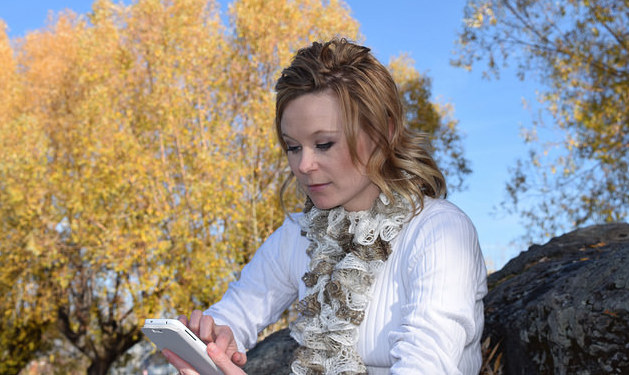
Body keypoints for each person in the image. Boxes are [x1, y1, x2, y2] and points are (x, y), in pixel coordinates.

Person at [162, 38, 487, 374]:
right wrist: (216, 336)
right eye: (292, 147)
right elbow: (239, 308)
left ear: (384, 133)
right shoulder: (297, 234)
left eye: (323, 143)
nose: (303, 165)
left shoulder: (441, 233)